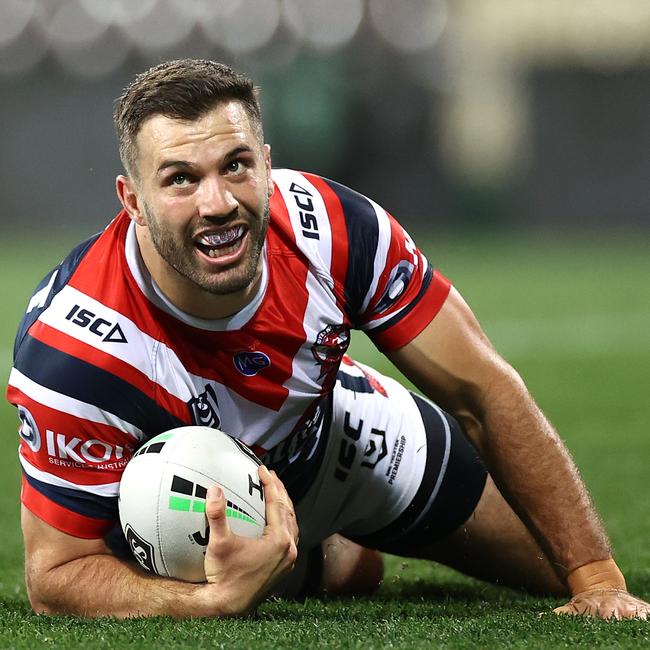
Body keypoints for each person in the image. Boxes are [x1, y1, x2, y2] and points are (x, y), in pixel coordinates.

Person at [6, 59, 648, 620]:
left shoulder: (333, 227)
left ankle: (325, 547)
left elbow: (483, 390)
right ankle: (324, 562)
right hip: (196, 513)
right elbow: (56, 577)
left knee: (555, 564)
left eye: (236, 166)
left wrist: (595, 580)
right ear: (133, 200)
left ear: (266, 164)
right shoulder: (74, 353)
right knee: (175, 551)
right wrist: (206, 604)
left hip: (339, 438)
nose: (217, 202)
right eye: (179, 179)